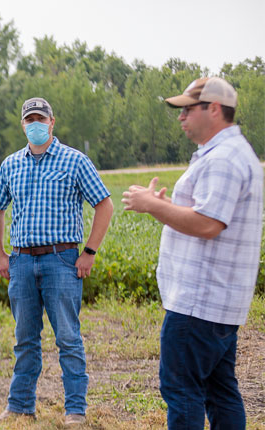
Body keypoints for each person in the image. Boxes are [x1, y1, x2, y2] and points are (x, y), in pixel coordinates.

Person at [122, 77, 261, 429]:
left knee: (182, 390)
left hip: (199, 301)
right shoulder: (230, 153)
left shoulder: (224, 160)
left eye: (187, 109)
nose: (181, 117)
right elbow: (207, 215)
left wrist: (151, 207)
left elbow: (208, 224)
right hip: (218, 302)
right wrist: (166, 205)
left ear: (214, 110)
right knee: (220, 391)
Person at [0, 97, 113, 425]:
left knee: (68, 337)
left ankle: (75, 410)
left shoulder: (75, 161)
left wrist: (90, 252)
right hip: (22, 262)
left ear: (52, 123)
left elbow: (104, 205)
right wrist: (0, 253)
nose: (35, 124)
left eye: (41, 118)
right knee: (24, 339)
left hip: (62, 260)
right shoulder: (11, 165)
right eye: (30, 120)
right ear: (23, 125)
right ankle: (19, 407)